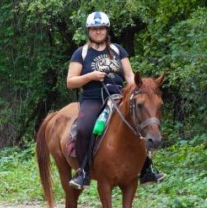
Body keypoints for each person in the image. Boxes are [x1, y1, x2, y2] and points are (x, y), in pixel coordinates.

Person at [67, 11, 165, 190]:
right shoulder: (81, 53)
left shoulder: (118, 50)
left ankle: (146, 168)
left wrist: (138, 90)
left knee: (140, 122)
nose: (98, 32)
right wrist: (91, 76)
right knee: (83, 128)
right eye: (94, 29)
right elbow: (70, 81)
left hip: (118, 96)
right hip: (93, 98)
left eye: (101, 28)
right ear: (89, 31)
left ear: (107, 30)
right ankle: (83, 172)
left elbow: (129, 75)